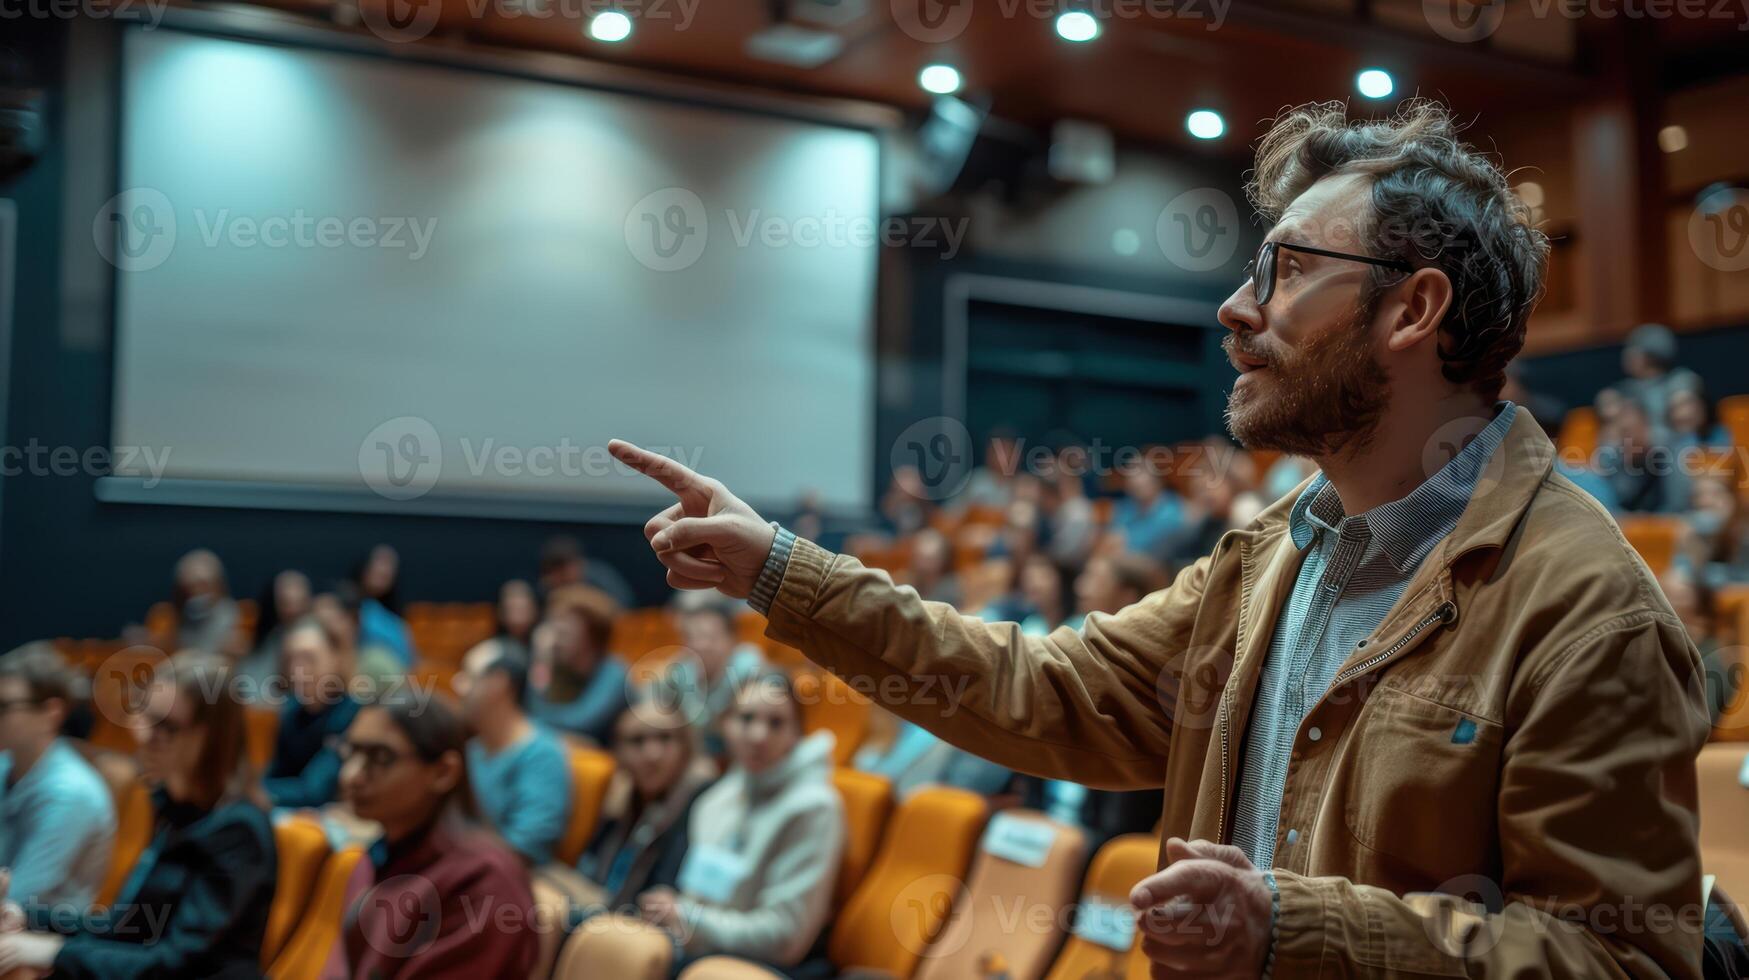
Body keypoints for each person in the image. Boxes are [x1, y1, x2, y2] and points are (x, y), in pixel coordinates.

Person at [613, 99, 1712, 978]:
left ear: (1413, 311)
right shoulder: (1274, 551)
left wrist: (1290, 929)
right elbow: (1039, 687)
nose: (1235, 307)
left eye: (1286, 268)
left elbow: (1617, 958)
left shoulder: (1587, 608)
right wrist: (781, 570)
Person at [0, 651, 276, 977]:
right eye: (145, 716)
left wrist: (55, 952)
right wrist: (30, 918)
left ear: (210, 738)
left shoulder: (238, 831)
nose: (144, 736)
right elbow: (130, 927)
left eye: (167, 727)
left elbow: (178, 963)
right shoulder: (176, 810)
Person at [630, 670, 843, 972]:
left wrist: (687, 917)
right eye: (746, 718)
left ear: (796, 735)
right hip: (697, 949)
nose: (758, 735)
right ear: (725, 725)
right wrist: (674, 912)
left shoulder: (815, 807)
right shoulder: (719, 795)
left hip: (755, 966)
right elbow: (692, 895)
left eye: (776, 723)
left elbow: (785, 938)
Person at [320, 692, 537, 979]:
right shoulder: (377, 855)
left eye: (380, 757)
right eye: (350, 752)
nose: (351, 776)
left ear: (443, 772)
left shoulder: (484, 882)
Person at [572, 696, 713, 913]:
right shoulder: (623, 798)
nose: (652, 755)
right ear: (618, 752)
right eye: (637, 741)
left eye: (665, 738)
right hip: (597, 908)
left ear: (685, 748)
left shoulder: (701, 804)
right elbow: (589, 870)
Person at [0, 644, 115, 912]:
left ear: (51, 713)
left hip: (39, 931)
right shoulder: (6, 763)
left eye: (4, 706)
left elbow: (16, 898)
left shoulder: (70, 793)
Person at [455, 645, 571, 866]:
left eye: (468, 676)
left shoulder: (541, 755)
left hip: (507, 876)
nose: (458, 687)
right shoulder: (473, 748)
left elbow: (526, 847)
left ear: (498, 683)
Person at [264, 618, 361, 809]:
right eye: (291, 659)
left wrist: (259, 793)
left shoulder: (354, 714)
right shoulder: (291, 711)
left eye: (309, 658)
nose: (298, 669)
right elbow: (274, 774)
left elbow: (314, 791)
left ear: (336, 658)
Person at [656, 597, 764, 754]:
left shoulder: (748, 666)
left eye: (711, 637)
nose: (701, 645)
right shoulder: (680, 672)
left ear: (732, 638)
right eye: (692, 637)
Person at [526, 585, 629, 745]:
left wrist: (540, 661)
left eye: (563, 632)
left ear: (591, 636)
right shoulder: (557, 669)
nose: (554, 641)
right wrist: (541, 664)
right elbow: (531, 711)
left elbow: (580, 724)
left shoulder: (615, 673)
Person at [1617, 323, 1701, 444]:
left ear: (1650, 357)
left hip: (1682, 450)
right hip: (1638, 453)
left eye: (1632, 352)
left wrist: (1646, 437)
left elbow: (1689, 429)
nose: (1626, 356)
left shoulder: (1681, 382)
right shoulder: (1626, 390)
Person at [236, 569, 312, 702]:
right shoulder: (268, 635)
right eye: (286, 602)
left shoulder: (314, 640)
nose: (292, 610)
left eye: (298, 602)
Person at [168, 549, 241, 656]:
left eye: (203, 585)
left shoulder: (237, 620)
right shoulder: (174, 622)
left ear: (218, 586)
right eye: (190, 587)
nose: (197, 592)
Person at [540, 535, 636, 609]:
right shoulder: (549, 586)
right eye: (553, 573)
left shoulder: (599, 576)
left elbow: (623, 605)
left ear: (578, 563)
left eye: (562, 571)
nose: (559, 577)